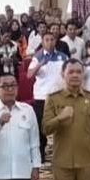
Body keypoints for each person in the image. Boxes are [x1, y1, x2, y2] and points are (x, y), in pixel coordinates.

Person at [27, 32, 65, 162]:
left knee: (61, 124)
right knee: (41, 126)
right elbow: (29, 75)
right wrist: (40, 64)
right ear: (42, 42)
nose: (49, 42)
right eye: (47, 40)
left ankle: (61, 151)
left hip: (59, 95)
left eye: (52, 39)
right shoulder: (37, 57)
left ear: (55, 41)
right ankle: (40, 152)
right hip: (41, 96)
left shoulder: (62, 56)